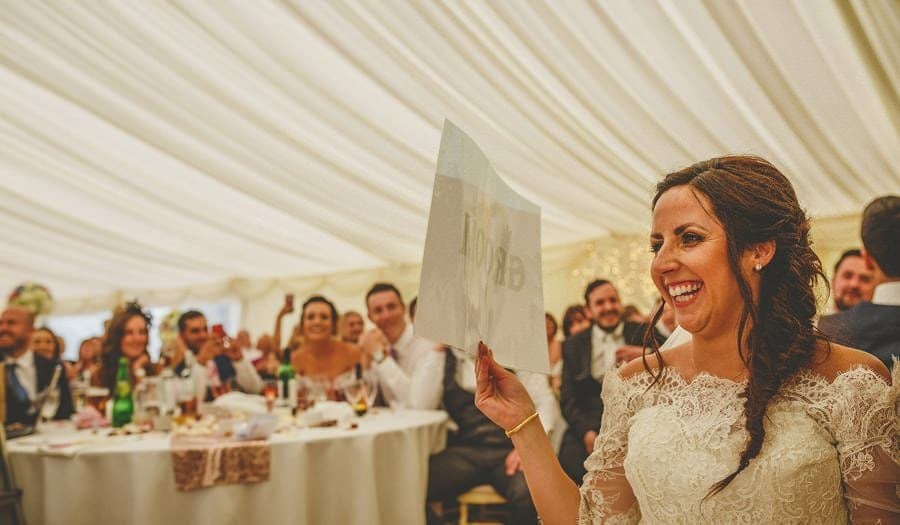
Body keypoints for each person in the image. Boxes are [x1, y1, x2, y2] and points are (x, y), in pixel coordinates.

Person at [473, 156, 897, 523]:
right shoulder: (636, 385)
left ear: (759, 250)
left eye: (689, 238)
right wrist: (522, 424)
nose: (662, 263)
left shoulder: (852, 384)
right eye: (657, 244)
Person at [558, 279, 659, 484]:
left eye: (613, 300)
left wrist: (647, 354)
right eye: (600, 303)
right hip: (590, 421)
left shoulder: (642, 330)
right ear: (588, 310)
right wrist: (586, 431)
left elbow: (673, 357)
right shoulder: (573, 345)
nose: (608, 307)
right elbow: (568, 399)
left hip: (637, 419)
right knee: (568, 462)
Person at [819, 196, 900, 369]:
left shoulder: (826, 332)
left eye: (863, 278)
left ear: (867, 259)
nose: (854, 284)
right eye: (847, 275)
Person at [358, 283, 438, 407]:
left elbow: (419, 404)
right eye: (378, 310)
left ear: (403, 308)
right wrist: (366, 358)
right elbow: (365, 399)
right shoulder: (379, 344)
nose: (386, 315)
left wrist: (380, 357)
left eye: (391, 307)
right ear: (370, 317)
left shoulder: (427, 343)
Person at [1, 307, 74, 424]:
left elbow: (66, 413)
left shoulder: (54, 368)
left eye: (11, 323)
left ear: (30, 331)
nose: (3, 328)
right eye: (0, 323)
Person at [167, 310, 263, 396]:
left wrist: (239, 360)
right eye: (195, 331)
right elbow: (194, 399)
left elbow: (256, 389)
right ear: (182, 336)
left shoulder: (223, 357)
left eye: (205, 329)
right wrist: (201, 363)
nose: (203, 335)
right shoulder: (181, 367)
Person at [290, 296, 360, 395]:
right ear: (303, 324)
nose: (317, 322)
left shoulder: (353, 353)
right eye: (310, 317)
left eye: (324, 317)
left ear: (333, 324)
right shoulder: (295, 359)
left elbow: (365, 391)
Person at [99, 303, 157, 391]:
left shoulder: (154, 369)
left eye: (142, 332)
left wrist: (138, 369)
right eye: (129, 332)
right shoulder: (100, 375)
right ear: (117, 337)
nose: (137, 338)